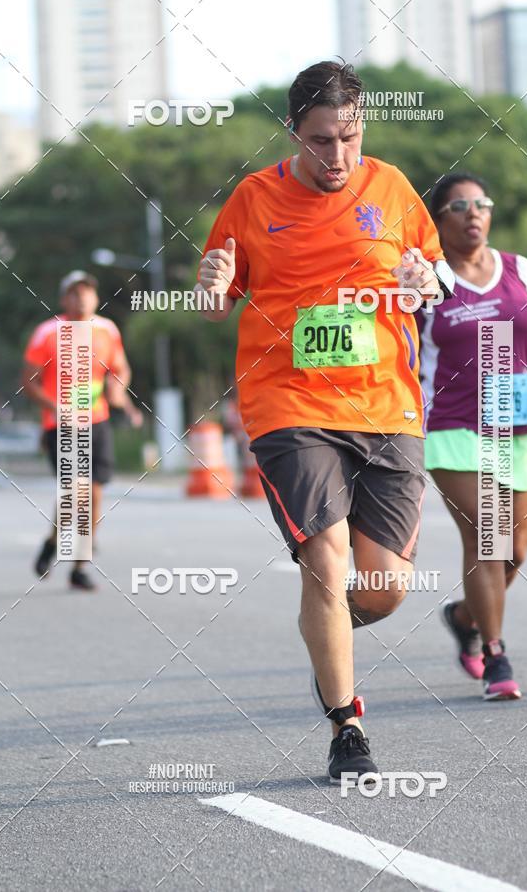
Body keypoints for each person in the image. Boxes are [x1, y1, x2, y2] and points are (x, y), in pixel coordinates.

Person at [195, 61, 453, 781]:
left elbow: (433, 276)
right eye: (319, 141)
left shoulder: (394, 189)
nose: (336, 156)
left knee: (381, 589)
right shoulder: (253, 198)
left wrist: (426, 281)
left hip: (387, 407)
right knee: (326, 561)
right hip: (291, 404)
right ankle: (347, 727)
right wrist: (210, 287)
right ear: (293, 134)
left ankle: (326, 642)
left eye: (348, 137)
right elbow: (217, 297)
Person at [417, 172, 527, 700]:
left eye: (481, 203)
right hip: (454, 428)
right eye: (459, 205)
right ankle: (495, 654)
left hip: (518, 428)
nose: (473, 213)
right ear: (438, 219)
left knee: (516, 550)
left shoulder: (522, 270)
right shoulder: (425, 282)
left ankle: (465, 616)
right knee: (487, 538)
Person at [23, 270, 142, 590]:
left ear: (96, 297)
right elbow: (29, 382)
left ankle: (79, 566)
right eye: (75, 293)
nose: (82, 298)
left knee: (94, 493)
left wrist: (120, 391)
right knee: (75, 493)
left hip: (97, 421)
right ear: (64, 299)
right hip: (60, 425)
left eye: (87, 292)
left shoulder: (107, 330)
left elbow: (120, 368)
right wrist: (54, 407)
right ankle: (53, 541)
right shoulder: (47, 332)